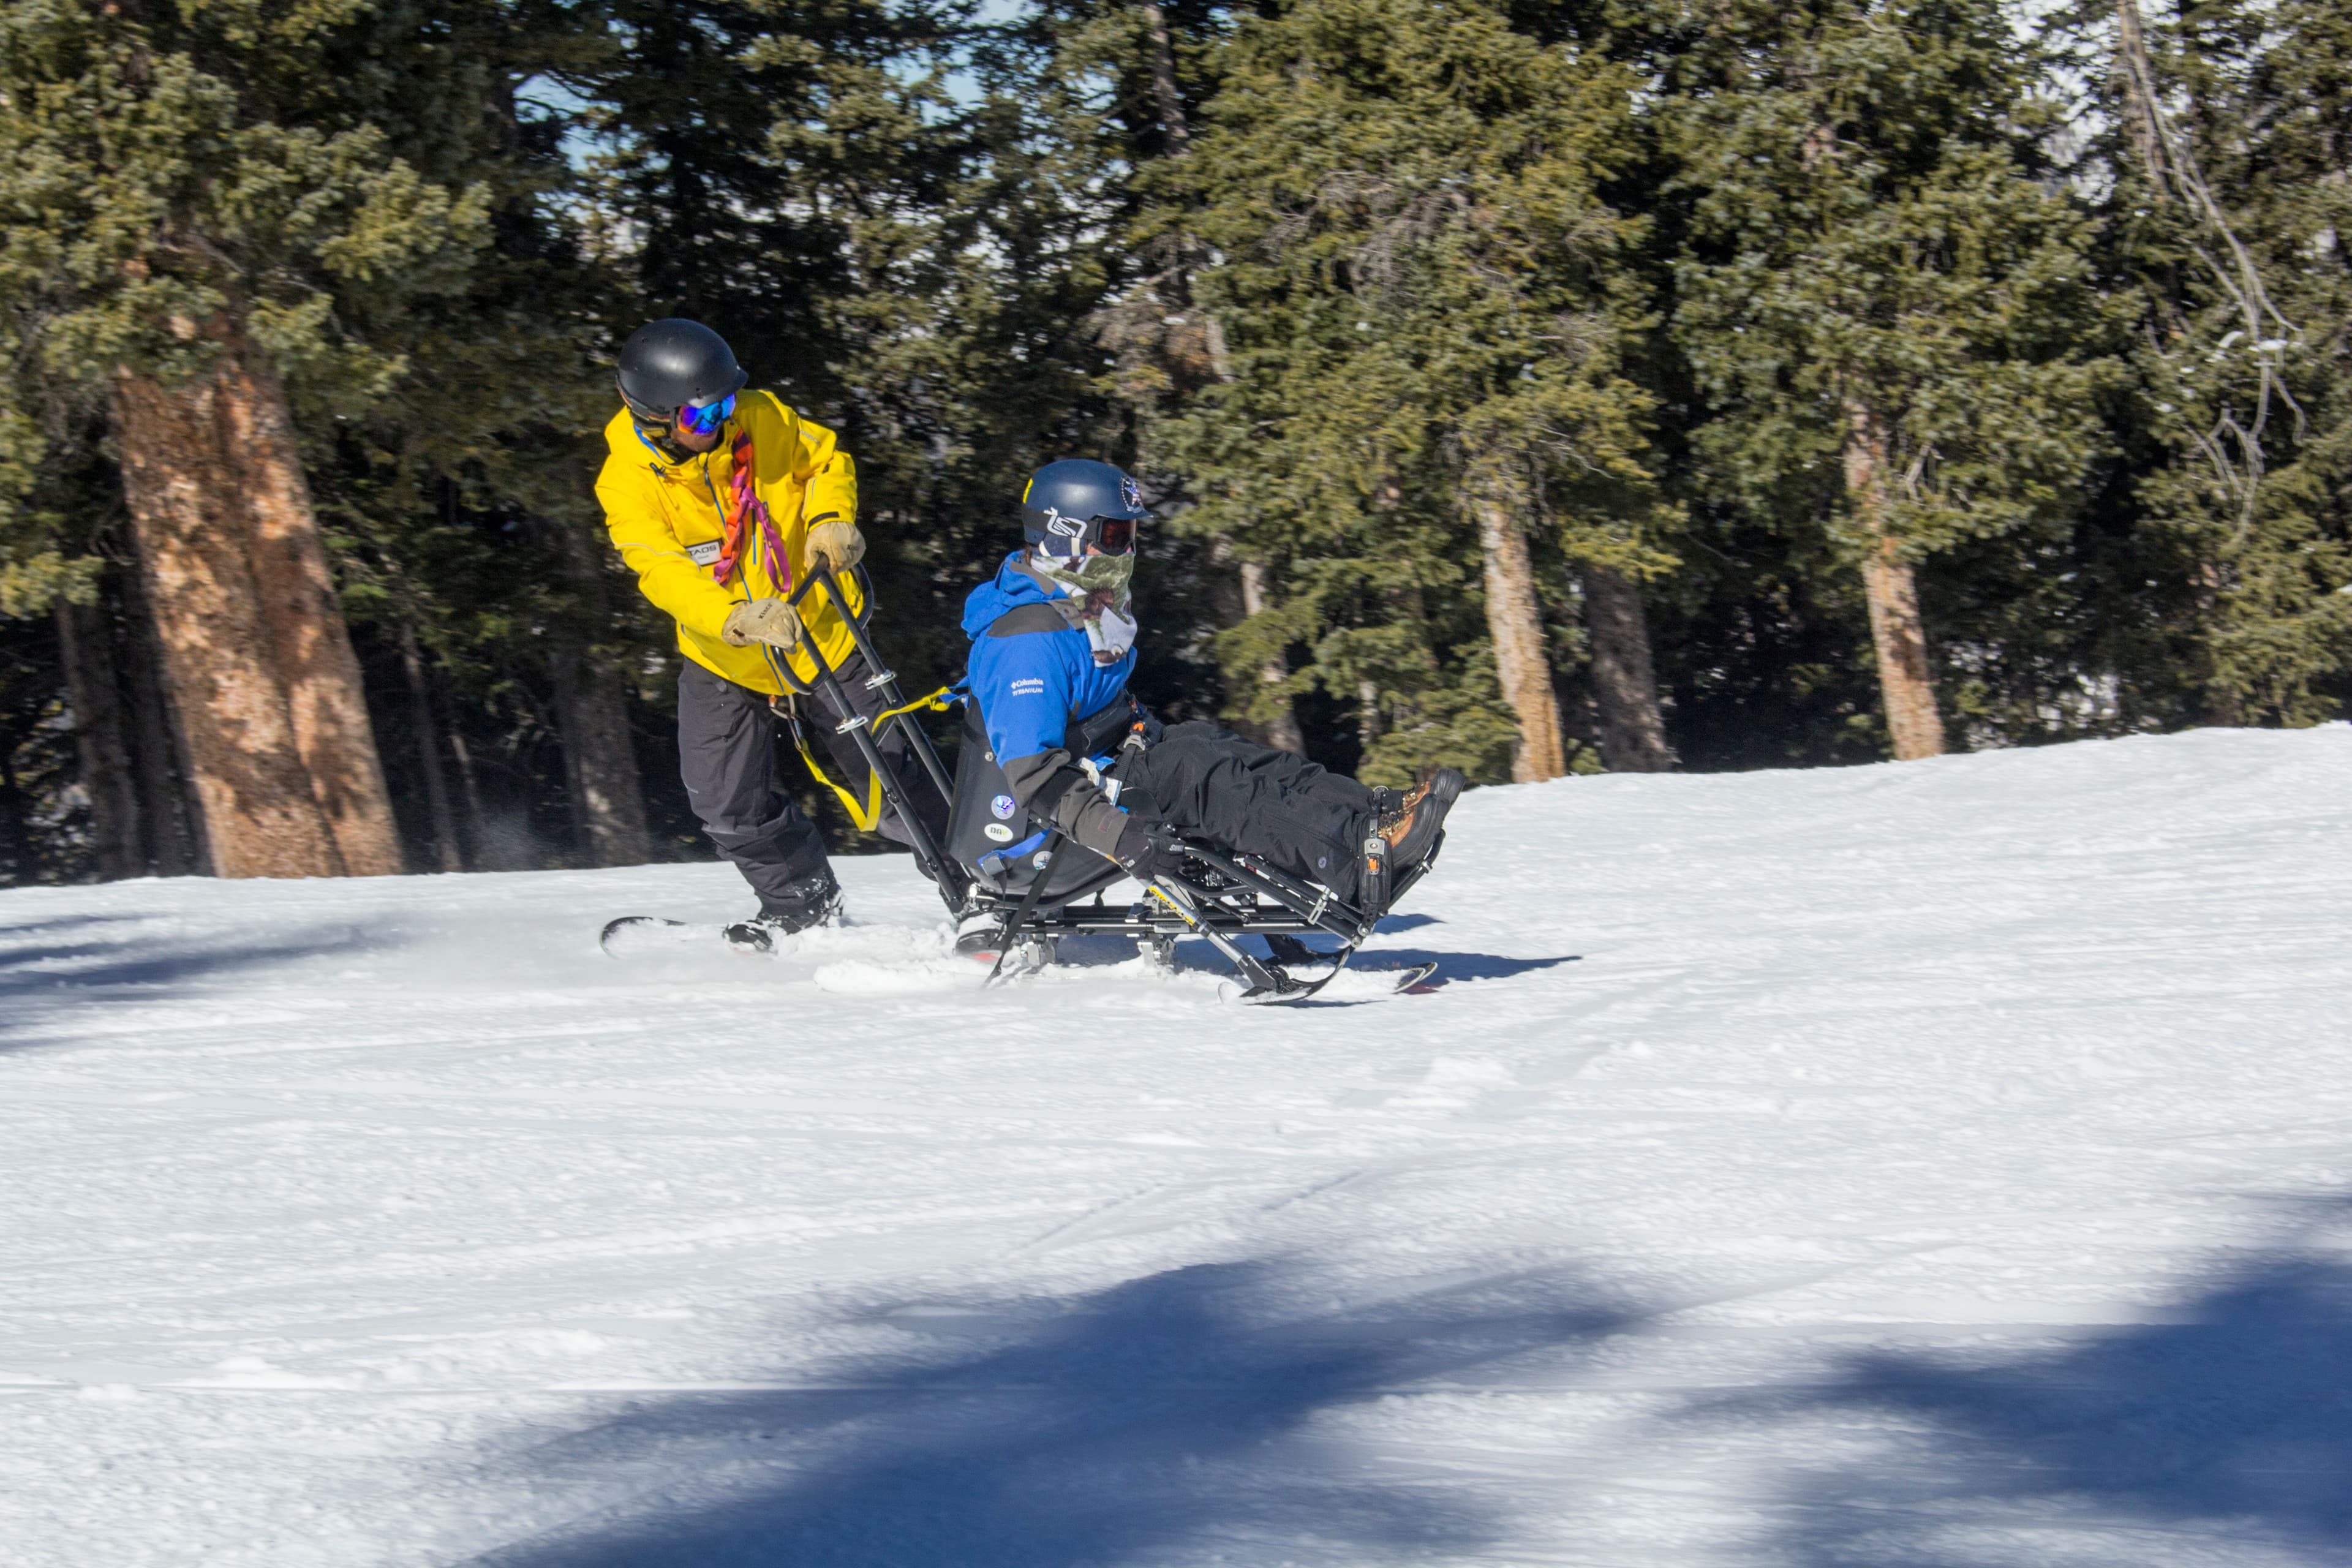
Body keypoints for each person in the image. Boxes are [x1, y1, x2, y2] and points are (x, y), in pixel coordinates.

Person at [960, 458, 1461, 923]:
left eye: (1131, 534)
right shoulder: (1024, 643)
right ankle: (1353, 861)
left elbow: (1098, 707)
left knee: (1215, 747)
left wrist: (1144, 733)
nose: (1128, 550)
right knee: (1196, 774)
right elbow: (1034, 777)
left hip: (1103, 775)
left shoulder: (1079, 608)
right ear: (1061, 533)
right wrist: (1119, 836)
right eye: (1114, 535)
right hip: (1039, 839)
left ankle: (1371, 818)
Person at [596, 318, 943, 941]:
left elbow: (824, 461)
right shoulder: (626, 481)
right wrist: (729, 619)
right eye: (703, 417)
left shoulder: (763, 418)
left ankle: (985, 885)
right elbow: (661, 569)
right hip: (728, 651)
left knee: (893, 778)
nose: (723, 421)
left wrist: (830, 520)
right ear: (653, 417)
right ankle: (803, 903)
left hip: (822, 634)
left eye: (727, 403)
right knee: (725, 802)